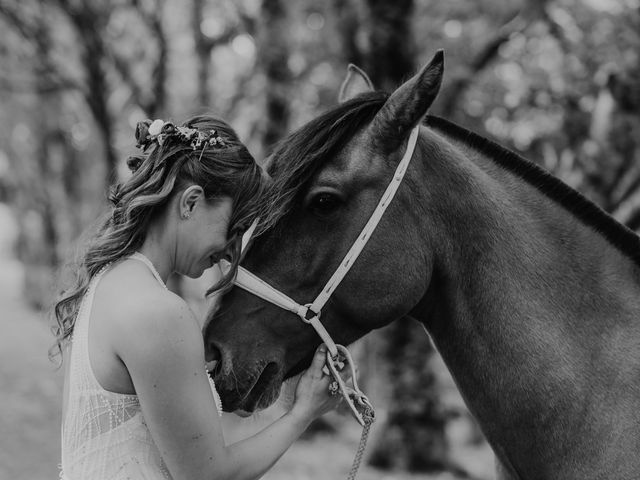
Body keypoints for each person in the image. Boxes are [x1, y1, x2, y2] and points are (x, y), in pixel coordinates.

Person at [51, 115, 342, 480]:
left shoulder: (110, 281)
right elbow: (209, 475)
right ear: (190, 203)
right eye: (233, 228)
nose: (228, 251)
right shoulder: (159, 313)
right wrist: (303, 413)